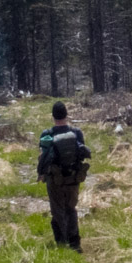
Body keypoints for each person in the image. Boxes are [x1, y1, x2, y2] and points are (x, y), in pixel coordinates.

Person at [36, 101, 91, 251]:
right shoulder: (77, 133)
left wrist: (41, 175)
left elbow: (42, 158)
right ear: (66, 115)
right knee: (71, 209)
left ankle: (61, 243)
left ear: (53, 116)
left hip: (55, 180)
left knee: (57, 210)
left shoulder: (47, 134)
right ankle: (75, 243)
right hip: (74, 179)